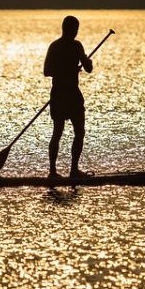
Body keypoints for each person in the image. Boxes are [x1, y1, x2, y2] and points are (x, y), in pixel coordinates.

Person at [44, 15, 93, 178]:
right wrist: (68, 70)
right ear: (68, 29)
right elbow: (47, 71)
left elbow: (88, 68)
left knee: (79, 132)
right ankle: (52, 172)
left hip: (70, 94)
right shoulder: (58, 46)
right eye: (74, 29)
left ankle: (73, 170)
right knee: (58, 132)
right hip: (61, 94)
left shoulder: (74, 46)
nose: (75, 32)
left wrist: (86, 60)